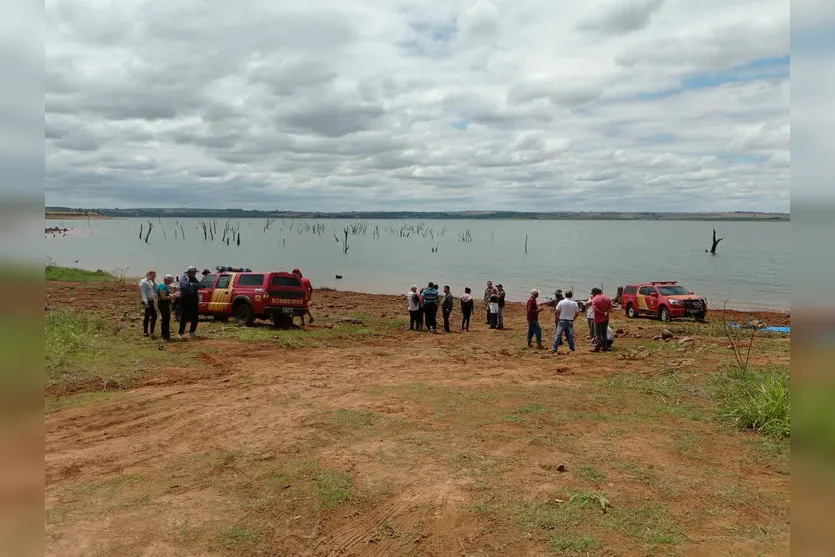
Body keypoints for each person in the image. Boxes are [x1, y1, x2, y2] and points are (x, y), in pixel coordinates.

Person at [178, 265, 202, 339]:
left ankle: (192, 331)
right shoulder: (183, 278)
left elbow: (200, 285)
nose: (194, 274)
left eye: (195, 273)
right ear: (189, 272)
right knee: (184, 316)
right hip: (185, 299)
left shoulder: (194, 278)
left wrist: (192, 285)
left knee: (195, 316)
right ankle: (181, 333)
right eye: (193, 272)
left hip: (194, 298)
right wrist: (194, 285)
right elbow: (185, 287)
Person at [553, 290, 580, 354]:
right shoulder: (574, 303)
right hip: (570, 321)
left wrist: (557, 318)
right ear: (571, 296)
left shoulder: (561, 302)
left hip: (562, 320)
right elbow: (577, 313)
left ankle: (554, 348)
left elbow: (556, 311)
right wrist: (573, 319)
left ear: (565, 295)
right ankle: (572, 348)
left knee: (558, 335)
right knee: (570, 336)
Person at [590, 287, 612, 352]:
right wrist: (606, 312)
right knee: (604, 333)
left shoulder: (594, 299)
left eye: (592, 293)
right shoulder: (607, 298)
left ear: (594, 293)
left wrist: (602, 313)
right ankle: (605, 347)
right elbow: (611, 307)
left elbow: (595, 308)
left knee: (598, 334)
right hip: (606, 318)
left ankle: (597, 347)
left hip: (598, 319)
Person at [157, 274, 175, 342]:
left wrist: (171, 295)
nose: (170, 283)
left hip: (163, 304)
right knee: (166, 320)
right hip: (163, 304)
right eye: (170, 281)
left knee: (165, 320)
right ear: (167, 280)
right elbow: (163, 297)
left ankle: (164, 335)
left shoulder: (163, 285)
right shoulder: (162, 286)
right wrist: (171, 297)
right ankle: (166, 336)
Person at [139, 270, 157, 338]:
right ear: (149, 275)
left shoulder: (150, 282)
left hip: (151, 300)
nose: (154, 277)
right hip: (147, 301)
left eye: (155, 276)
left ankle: (147, 332)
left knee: (148, 316)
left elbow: (155, 289)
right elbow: (143, 293)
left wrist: (154, 282)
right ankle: (149, 332)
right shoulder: (144, 282)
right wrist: (146, 302)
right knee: (153, 316)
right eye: (153, 276)